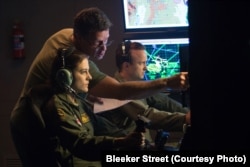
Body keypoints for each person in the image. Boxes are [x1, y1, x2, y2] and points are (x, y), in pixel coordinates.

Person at [10, 7, 189, 166]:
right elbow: (120, 92)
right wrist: (167, 82)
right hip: (32, 124)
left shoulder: (68, 36)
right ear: (78, 37)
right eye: (97, 43)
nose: (104, 49)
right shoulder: (71, 61)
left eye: (107, 41)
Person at [40, 48, 145, 167]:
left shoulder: (78, 102)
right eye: (83, 71)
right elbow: (81, 145)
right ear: (66, 76)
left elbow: (105, 128)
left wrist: (135, 141)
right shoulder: (57, 106)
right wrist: (121, 142)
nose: (89, 77)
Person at [98, 41, 191, 143]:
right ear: (126, 65)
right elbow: (147, 115)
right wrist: (185, 119)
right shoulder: (118, 92)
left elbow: (164, 101)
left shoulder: (138, 86)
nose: (146, 67)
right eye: (141, 63)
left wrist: (188, 112)